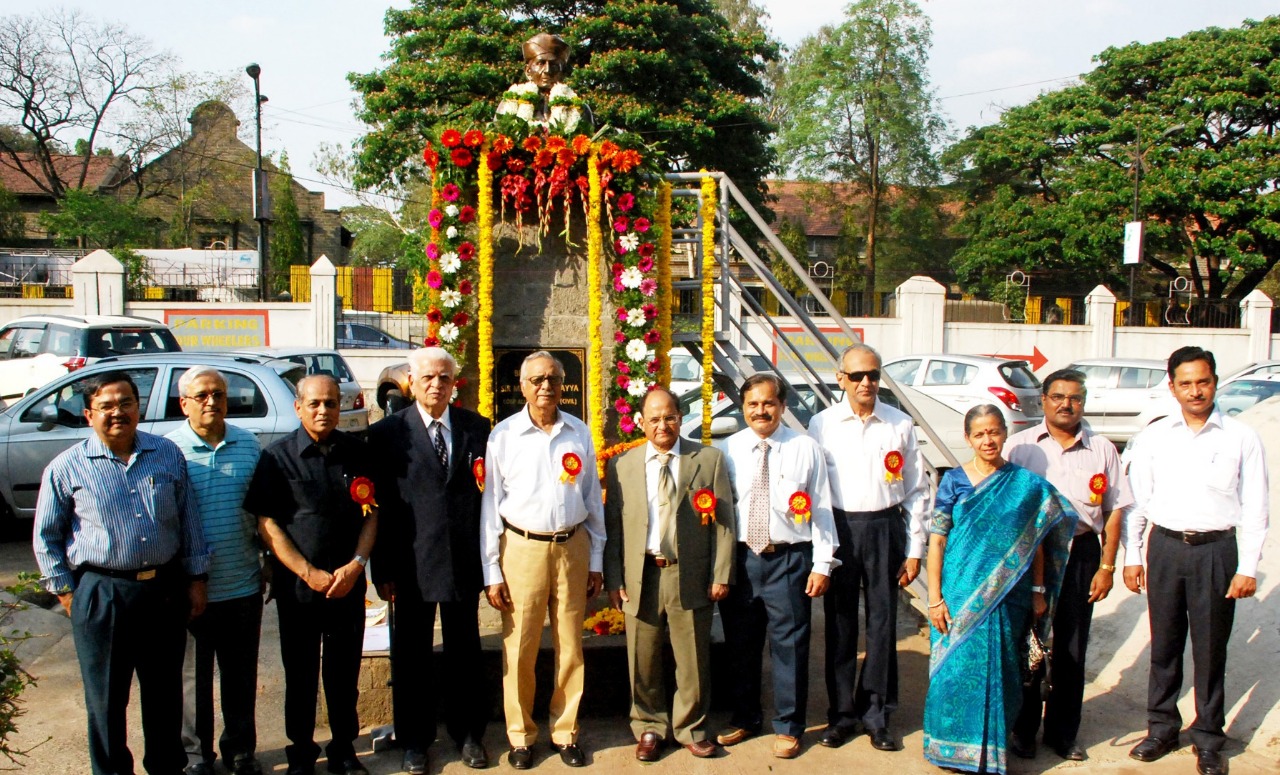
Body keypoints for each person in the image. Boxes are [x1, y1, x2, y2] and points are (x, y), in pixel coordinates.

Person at [34, 370, 210, 775]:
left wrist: (196, 579)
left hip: (164, 590)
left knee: (164, 695)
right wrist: (67, 593)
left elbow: (189, 522)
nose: (118, 413)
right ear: (89, 414)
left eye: (126, 403)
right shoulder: (67, 467)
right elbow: (46, 537)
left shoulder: (166, 455)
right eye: (107, 406)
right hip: (102, 593)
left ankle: (166, 767)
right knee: (107, 699)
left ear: (138, 406)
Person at [1122, 347, 1269, 775]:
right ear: (1172, 387)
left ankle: (1208, 737)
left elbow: (1256, 507)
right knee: (1163, 644)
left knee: (1209, 649)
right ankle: (1162, 727)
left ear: (1215, 382)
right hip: (1165, 548)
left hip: (1217, 551)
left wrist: (1247, 566)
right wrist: (1133, 556)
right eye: (1185, 383)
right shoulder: (1154, 437)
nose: (1195, 391)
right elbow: (1137, 503)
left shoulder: (1241, 437)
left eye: (1202, 382)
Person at [922, 405, 1077, 775]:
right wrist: (934, 598)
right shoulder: (954, 481)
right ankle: (949, 749)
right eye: (979, 434)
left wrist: (1039, 589)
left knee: (1004, 669)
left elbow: (1039, 540)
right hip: (958, 593)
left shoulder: (1025, 486)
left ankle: (989, 751)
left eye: (993, 432)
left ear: (1005, 434)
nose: (987, 440)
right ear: (967, 438)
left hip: (1010, 595)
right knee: (955, 670)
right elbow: (938, 541)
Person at [245, 375, 377, 775]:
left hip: (347, 585)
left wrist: (356, 565)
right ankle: (301, 751)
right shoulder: (277, 457)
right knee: (300, 673)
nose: (324, 411)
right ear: (298, 406)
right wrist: (308, 572)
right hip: (300, 589)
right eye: (315, 403)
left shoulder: (358, 452)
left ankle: (343, 749)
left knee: (343, 672)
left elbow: (374, 514)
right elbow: (267, 523)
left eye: (332, 403)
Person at [480, 351, 606, 769]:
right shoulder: (503, 436)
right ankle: (520, 736)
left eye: (552, 378)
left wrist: (596, 559)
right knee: (520, 647)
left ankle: (565, 731)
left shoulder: (579, 433)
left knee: (571, 645)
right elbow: (491, 505)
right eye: (536, 379)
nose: (545, 386)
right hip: (521, 549)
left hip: (572, 547)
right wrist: (491, 569)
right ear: (522, 385)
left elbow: (592, 499)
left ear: (563, 382)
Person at [369, 347, 491, 774]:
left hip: (462, 561)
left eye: (444, 378)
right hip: (410, 565)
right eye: (428, 378)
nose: (436, 384)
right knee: (411, 656)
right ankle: (414, 741)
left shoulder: (477, 428)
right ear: (412, 382)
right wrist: (381, 569)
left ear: (454, 383)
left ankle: (469, 734)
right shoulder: (387, 433)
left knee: (465, 652)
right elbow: (378, 507)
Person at [1004, 368, 1132, 762]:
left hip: (1081, 553)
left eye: (1075, 398)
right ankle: (1022, 730)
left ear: (1084, 402)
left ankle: (1063, 732)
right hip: (1031, 556)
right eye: (1057, 396)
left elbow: (1113, 511)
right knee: (1029, 645)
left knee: (1072, 647)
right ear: (1043, 400)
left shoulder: (1103, 449)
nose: (1066, 404)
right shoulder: (1020, 447)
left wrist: (1106, 567)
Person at [603, 387, 735, 762]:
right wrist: (615, 578)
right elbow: (614, 525)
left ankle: (691, 727)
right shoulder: (623, 465)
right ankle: (648, 726)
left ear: (680, 418)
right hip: (641, 575)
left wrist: (720, 573)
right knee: (641, 659)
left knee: (693, 658)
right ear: (641, 422)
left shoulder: (707, 459)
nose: (663, 425)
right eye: (655, 418)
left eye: (670, 417)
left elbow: (724, 524)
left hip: (688, 573)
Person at [808, 343, 927, 752]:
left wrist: (914, 550)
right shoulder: (821, 425)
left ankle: (877, 714)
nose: (866, 383)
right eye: (857, 375)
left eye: (873, 375)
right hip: (840, 528)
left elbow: (917, 491)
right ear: (840, 378)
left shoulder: (899, 424)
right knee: (840, 627)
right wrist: (820, 549)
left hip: (884, 527)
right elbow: (814, 491)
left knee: (882, 625)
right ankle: (841, 716)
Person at [716, 374, 839, 759]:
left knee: (790, 646)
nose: (761, 411)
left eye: (768, 403)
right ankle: (745, 717)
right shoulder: (728, 449)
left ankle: (788, 725)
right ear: (742, 408)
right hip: (742, 560)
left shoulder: (806, 448)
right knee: (741, 645)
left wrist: (823, 564)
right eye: (752, 404)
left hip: (789, 559)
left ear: (782, 406)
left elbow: (821, 508)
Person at [167, 367, 265, 775]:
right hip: (192, 591)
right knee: (193, 682)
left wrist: (269, 565)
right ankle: (196, 757)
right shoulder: (170, 451)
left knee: (240, 677)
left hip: (242, 582)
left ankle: (240, 751)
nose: (212, 401)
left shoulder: (249, 445)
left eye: (219, 394)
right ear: (184, 403)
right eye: (202, 395)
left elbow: (263, 513)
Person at [495, 32, 584, 131]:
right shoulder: (510, 102)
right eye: (540, 63)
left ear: (562, 72)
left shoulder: (578, 107)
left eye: (554, 65)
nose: (547, 70)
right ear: (528, 71)